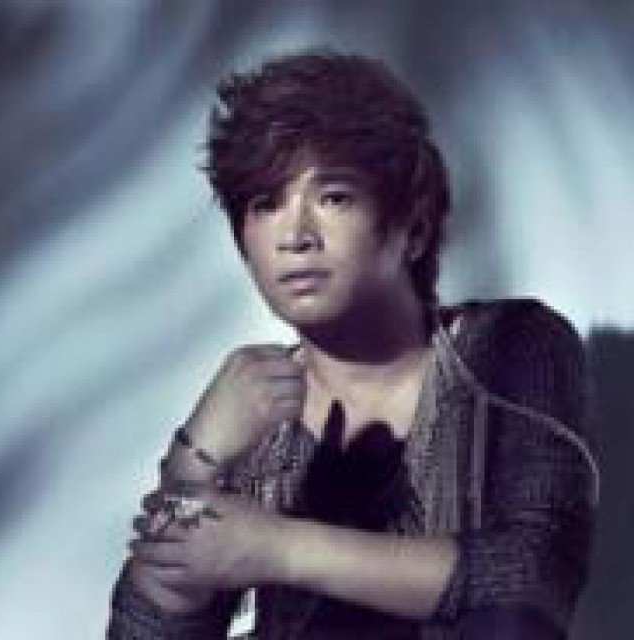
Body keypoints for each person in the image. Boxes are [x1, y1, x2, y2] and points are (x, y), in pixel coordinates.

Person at [106, 49, 599, 639]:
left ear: (413, 229)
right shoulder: (254, 407)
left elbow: (529, 583)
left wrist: (277, 548)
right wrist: (194, 460)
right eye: (266, 204)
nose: (296, 236)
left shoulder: (512, 345)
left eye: (333, 197)